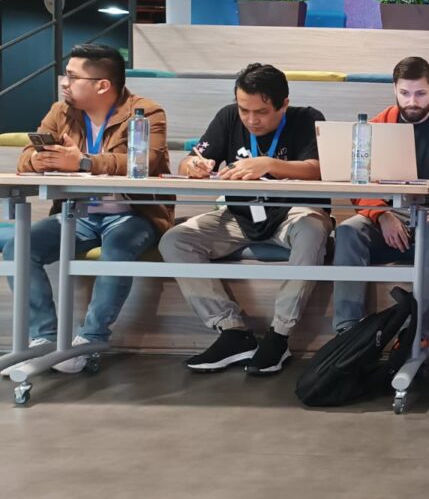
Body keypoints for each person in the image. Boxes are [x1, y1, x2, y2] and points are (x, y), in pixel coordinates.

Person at [0, 44, 171, 376]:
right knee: (18, 248)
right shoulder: (61, 111)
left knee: (117, 249)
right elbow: (25, 157)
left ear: (102, 85)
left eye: (72, 76)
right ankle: (45, 338)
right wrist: (39, 160)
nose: (64, 82)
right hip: (76, 214)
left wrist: (82, 162)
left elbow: (145, 162)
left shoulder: (146, 113)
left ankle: (90, 341)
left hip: (133, 214)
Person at [158, 64, 331, 376]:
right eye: (244, 110)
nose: (251, 120)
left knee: (312, 228)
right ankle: (232, 332)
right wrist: (193, 165)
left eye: (261, 112)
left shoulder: (307, 118)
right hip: (239, 215)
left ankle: (279, 336)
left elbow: (318, 169)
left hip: (292, 214)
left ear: (284, 105)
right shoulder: (227, 117)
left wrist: (267, 164)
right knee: (175, 239)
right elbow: (189, 161)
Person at [331, 57, 429, 338]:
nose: (412, 101)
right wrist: (381, 214)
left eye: (420, 93)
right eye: (405, 93)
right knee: (348, 231)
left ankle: (414, 332)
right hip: (392, 211)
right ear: (394, 90)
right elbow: (359, 185)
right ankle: (347, 333)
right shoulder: (377, 125)